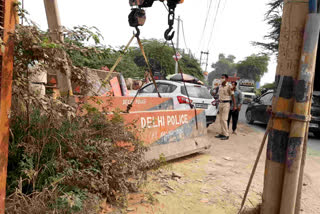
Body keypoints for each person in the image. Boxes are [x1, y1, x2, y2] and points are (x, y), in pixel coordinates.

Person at [215, 74, 237, 140]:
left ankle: (226, 134)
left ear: (227, 79)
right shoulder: (220, 86)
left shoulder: (229, 86)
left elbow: (232, 96)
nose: (222, 79)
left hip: (226, 104)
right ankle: (222, 133)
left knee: (224, 119)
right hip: (220, 103)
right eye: (221, 78)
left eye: (223, 78)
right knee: (221, 119)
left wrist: (234, 105)